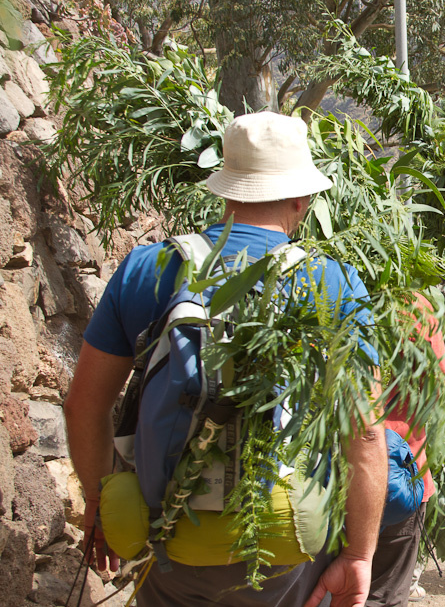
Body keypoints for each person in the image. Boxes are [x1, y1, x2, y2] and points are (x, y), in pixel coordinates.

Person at [63, 112, 388, 607]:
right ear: (301, 198)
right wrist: (360, 554)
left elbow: (84, 405)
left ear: (227, 190)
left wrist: (97, 504)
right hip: (279, 541)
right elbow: (363, 432)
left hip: (165, 531)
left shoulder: (147, 268)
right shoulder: (333, 282)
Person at [368, 292, 445, 607]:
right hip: (400, 472)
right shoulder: (414, 305)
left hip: (334, 476)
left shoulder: (330, 289)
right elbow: (443, 391)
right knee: (385, 593)